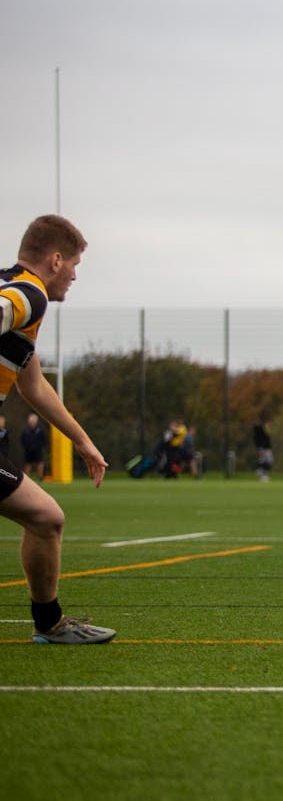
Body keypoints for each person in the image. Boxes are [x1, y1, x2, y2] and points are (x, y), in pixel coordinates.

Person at [1, 215, 114, 643]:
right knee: (46, 518)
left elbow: (33, 383)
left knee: (46, 518)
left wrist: (82, 441)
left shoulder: (15, 288)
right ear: (55, 259)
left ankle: (49, 622)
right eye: (74, 264)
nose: (74, 274)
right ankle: (49, 624)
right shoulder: (30, 293)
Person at [21, 413, 47, 481]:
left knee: (40, 462)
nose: (32, 422)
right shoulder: (25, 430)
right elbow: (22, 440)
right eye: (31, 420)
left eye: (33, 420)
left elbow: (44, 439)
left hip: (38, 449)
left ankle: (40, 477)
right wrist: (26, 446)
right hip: (28, 450)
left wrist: (41, 446)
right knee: (28, 464)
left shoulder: (40, 430)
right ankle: (26, 478)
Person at [252, 417, 273, 481]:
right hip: (263, 448)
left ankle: (262, 474)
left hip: (266, 448)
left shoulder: (263, 430)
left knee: (267, 461)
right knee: (265, 461)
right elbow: (260, 441)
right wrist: (260, 448)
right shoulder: (260, 430)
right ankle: (262, 475)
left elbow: (266, 439)